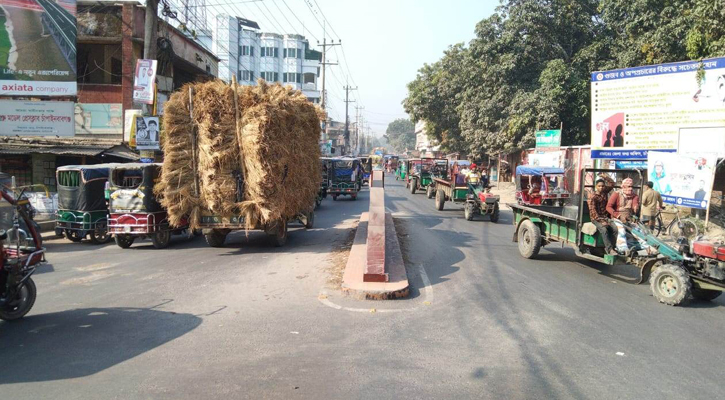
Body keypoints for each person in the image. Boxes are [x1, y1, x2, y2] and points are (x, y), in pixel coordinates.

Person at [588, 174, 617, 255]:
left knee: (615, 228)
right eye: (599, 186)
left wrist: (604, 176)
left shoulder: (604, 191)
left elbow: (612, 184)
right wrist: (601, 221)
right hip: (596, 218)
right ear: (596, 187)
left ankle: (614, 247)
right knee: (604, 230)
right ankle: (609, 249)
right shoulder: (593, 196)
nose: (601, 187)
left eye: (603, 186)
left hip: (605, 216)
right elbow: (593, 211)